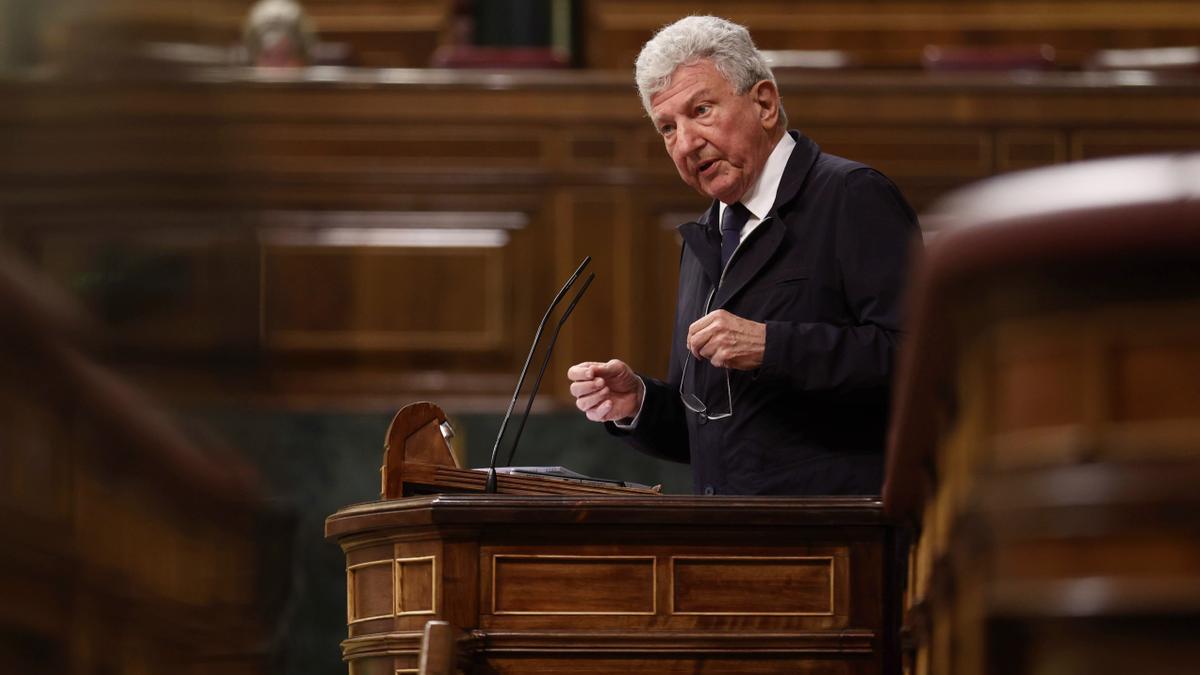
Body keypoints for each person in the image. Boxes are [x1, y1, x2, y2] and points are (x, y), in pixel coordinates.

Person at [567, 16, 919, 496]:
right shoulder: (704, 239)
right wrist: (639, 404)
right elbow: (716, 430)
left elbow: (918, 360)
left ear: (765, 103)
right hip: (731, 541)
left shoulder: (851, 196)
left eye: (702, 110)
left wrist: (771, 346)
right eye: (668, 127)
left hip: (836, 538)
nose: (686, 143)